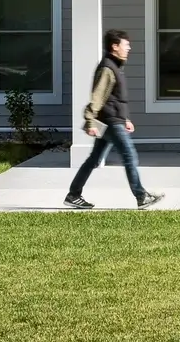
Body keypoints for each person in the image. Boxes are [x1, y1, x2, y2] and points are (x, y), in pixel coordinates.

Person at [65, 27, 163, 210]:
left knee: (94, 159)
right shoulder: (107, 69)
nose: (129, 48)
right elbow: (98, 96)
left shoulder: (115, 66)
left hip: (112, 119)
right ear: (114, 46)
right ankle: (141, 196)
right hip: (110, 122)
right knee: (129, 155)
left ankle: (73, 194)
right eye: (126, 45)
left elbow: (115, 97)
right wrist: (89, 120)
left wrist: (125, 118)